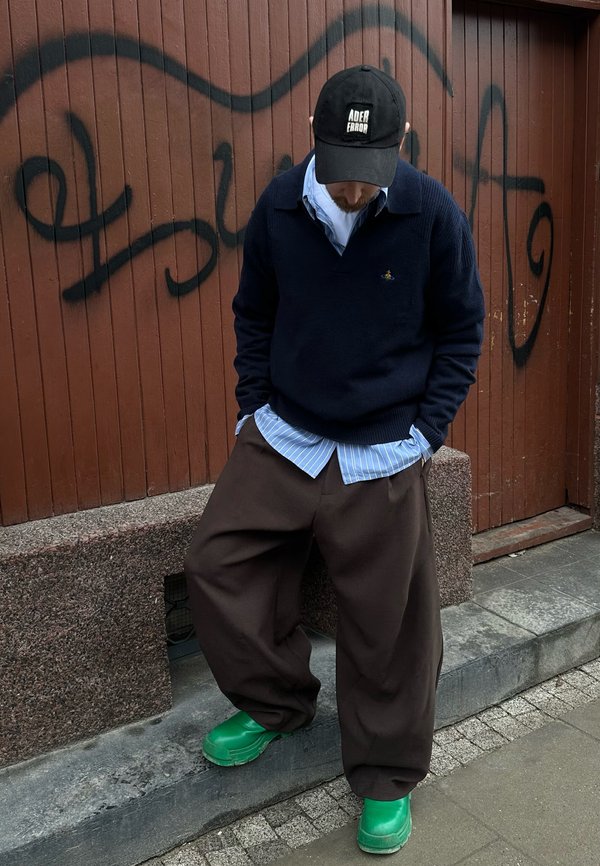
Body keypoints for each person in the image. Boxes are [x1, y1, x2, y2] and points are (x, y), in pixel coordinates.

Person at [184, 64, 485, 855]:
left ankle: (385, 777)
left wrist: (426, 433)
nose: (354, 190)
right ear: (313, 146)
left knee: (392, 620)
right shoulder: (281, 206)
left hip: (385, 446)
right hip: (286, 433)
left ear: (402, 145)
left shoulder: (432, 215)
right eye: (342, 173)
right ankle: (278, 701)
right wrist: (253, 402)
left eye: (371, 173)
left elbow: (462, 331)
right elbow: (255, 311)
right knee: (216, 563)